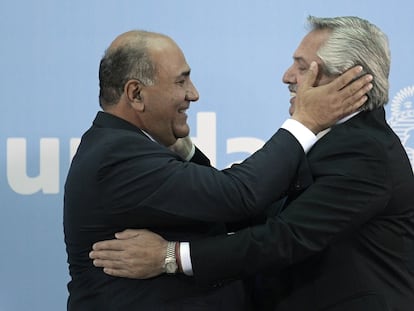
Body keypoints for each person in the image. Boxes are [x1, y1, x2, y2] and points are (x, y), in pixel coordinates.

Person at [90, 16, 414, 310]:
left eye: (302, 67)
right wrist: (183, 150)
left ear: (344, 79)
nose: (287, 77)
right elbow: (243, 206)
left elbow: (284, 238)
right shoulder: (328, 140)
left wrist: (170, 256)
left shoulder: (366, 152)